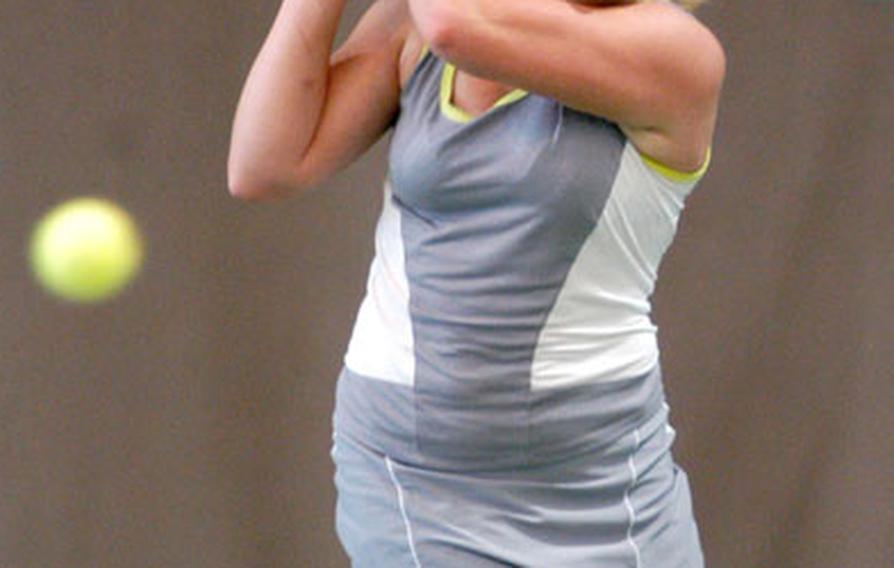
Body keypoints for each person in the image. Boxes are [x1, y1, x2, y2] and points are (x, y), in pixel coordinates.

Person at [228, 0, 725, 565]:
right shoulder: (411, 25)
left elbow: (457, 28)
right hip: (409, 476)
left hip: (601, 482)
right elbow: (263, 164)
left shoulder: (680, 52)